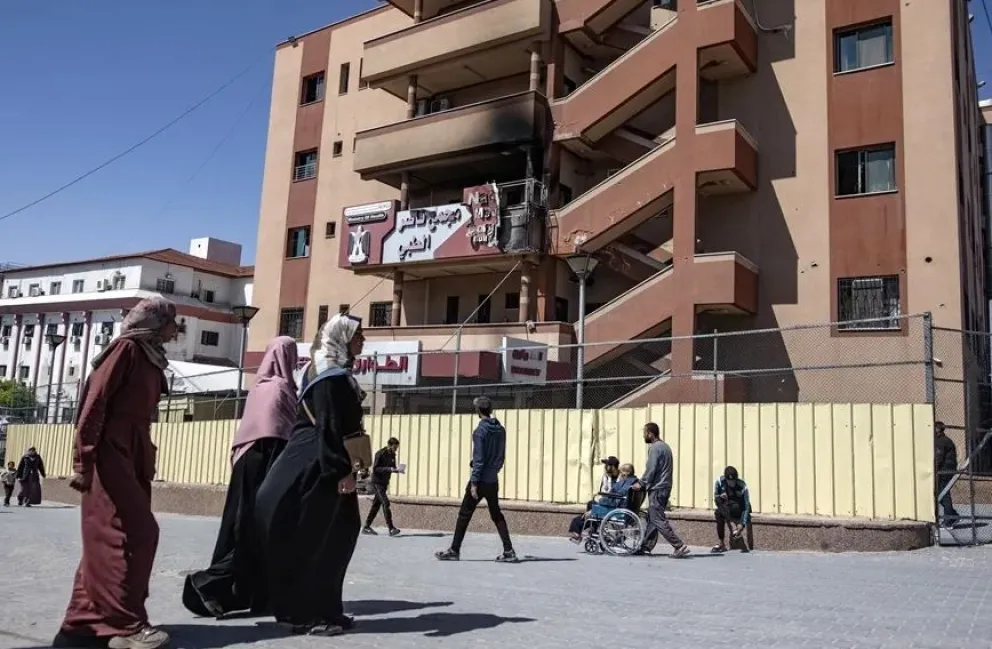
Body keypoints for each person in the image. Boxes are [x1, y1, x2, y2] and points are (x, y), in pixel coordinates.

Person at [54, 296, 179, 649]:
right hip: (110, 451)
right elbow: (94, 403)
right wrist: (84, 460)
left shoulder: (149, 355)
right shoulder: (125, 350)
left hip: (132, 450)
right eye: (172, 322)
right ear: (155, 321)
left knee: (107, 539)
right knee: (131, 535)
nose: (175, 330)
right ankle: (125, 624)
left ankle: (81, 624)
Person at [253, 313, 366, 636]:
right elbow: (328, 426)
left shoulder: (337, 373)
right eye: (357, 334)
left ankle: (328, 609)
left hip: (327, 463)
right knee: (317, 540)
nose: (362, 340)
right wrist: (341, 472)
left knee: (339, 535)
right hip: (316, 467)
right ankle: (306, 614)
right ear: (340, 338)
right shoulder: (327, 375)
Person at [182, 336, 300, 618]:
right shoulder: (282, 389)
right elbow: (279, 435)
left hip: (245, 463)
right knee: (259, 530)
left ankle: (256, 596)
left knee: (240, 527)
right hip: (266, 462)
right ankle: (209, 583)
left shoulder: (257, 388)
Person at [435, 396, 518, 563]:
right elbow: (500, 456)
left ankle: (454, 550)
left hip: (480, 480)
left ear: (478, 411)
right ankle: (508, 550)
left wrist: (474, 483)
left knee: (464, 514)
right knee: (496, 514)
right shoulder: (501, 430)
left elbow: (478, 459)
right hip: (492, 480)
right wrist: (494, 470)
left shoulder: (480, 431)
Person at [632, 422, 690, 558]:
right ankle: (646, 546)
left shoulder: (655, 448)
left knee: (657, 518)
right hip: (665, 487)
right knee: (653, 517)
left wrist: (641, 483)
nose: (643, 436)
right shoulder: (665, 447)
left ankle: (678, 545)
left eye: (645, 433)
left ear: (650, 433)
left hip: (658, 488)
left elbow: (651, 469)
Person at [569, 463, 640, 541]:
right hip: (621, 506)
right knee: (591, 504)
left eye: (622, 471)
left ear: (627, 473)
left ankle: (578, 530)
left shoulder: (626, 483)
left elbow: (617, 497)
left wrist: (598, 504)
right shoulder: (632, 481)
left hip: (616, 508)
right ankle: (593, 528)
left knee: (587, 512)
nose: (620, 473)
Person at [362, 437, 402, 536]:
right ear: (389, 445)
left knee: (376, 505)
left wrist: (397, 470)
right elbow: (375, 469)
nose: (396, 449)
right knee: (385, 502)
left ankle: (366, 527)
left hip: (384, 483)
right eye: (394, 447)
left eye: (397, 448)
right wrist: (389, 469)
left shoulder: (392, 454)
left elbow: (392, 467)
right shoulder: (380, 453)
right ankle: (391, 528)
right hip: (377, 482)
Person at [711, 466, 751, 553]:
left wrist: (741, 524)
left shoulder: (742, 485)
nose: (731, 483)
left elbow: (747, 506)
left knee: (723, 510)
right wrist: (721, 497)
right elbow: (716, 499)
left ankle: (735, 528)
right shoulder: (719, 482)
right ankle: (721, 543)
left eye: (733, 481)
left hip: (738, 508)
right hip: (726, 507)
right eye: (729, 481)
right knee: (718, 512)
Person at [934, 421, 960, 525]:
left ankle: (950, 519)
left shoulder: (941, 441)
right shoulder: (943, 440)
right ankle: (953, 515)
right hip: (947, 469)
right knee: (941, 493)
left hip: (945, 470)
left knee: (943, 493)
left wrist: (934, 469)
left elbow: (938, 457)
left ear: (937, 429)